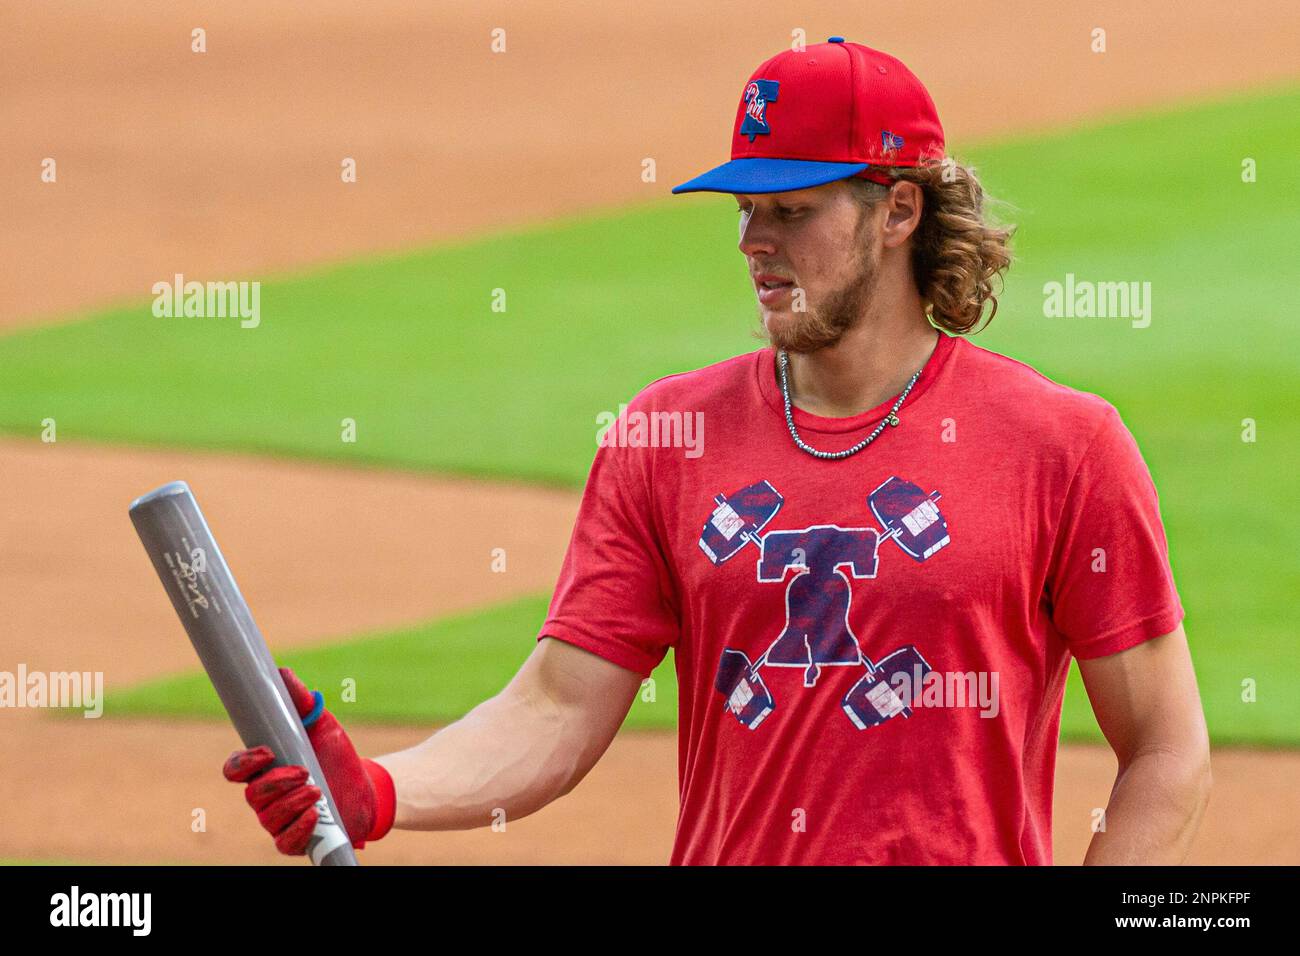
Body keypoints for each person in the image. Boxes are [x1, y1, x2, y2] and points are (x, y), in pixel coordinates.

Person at [223, 37, 1211, 865]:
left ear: (898, 209)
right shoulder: (667, 437)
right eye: (744, 208)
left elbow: (1166, 748)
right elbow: (557, 707)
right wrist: (379, 790)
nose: (753, 239)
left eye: (792, 209)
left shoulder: (1059, 442)